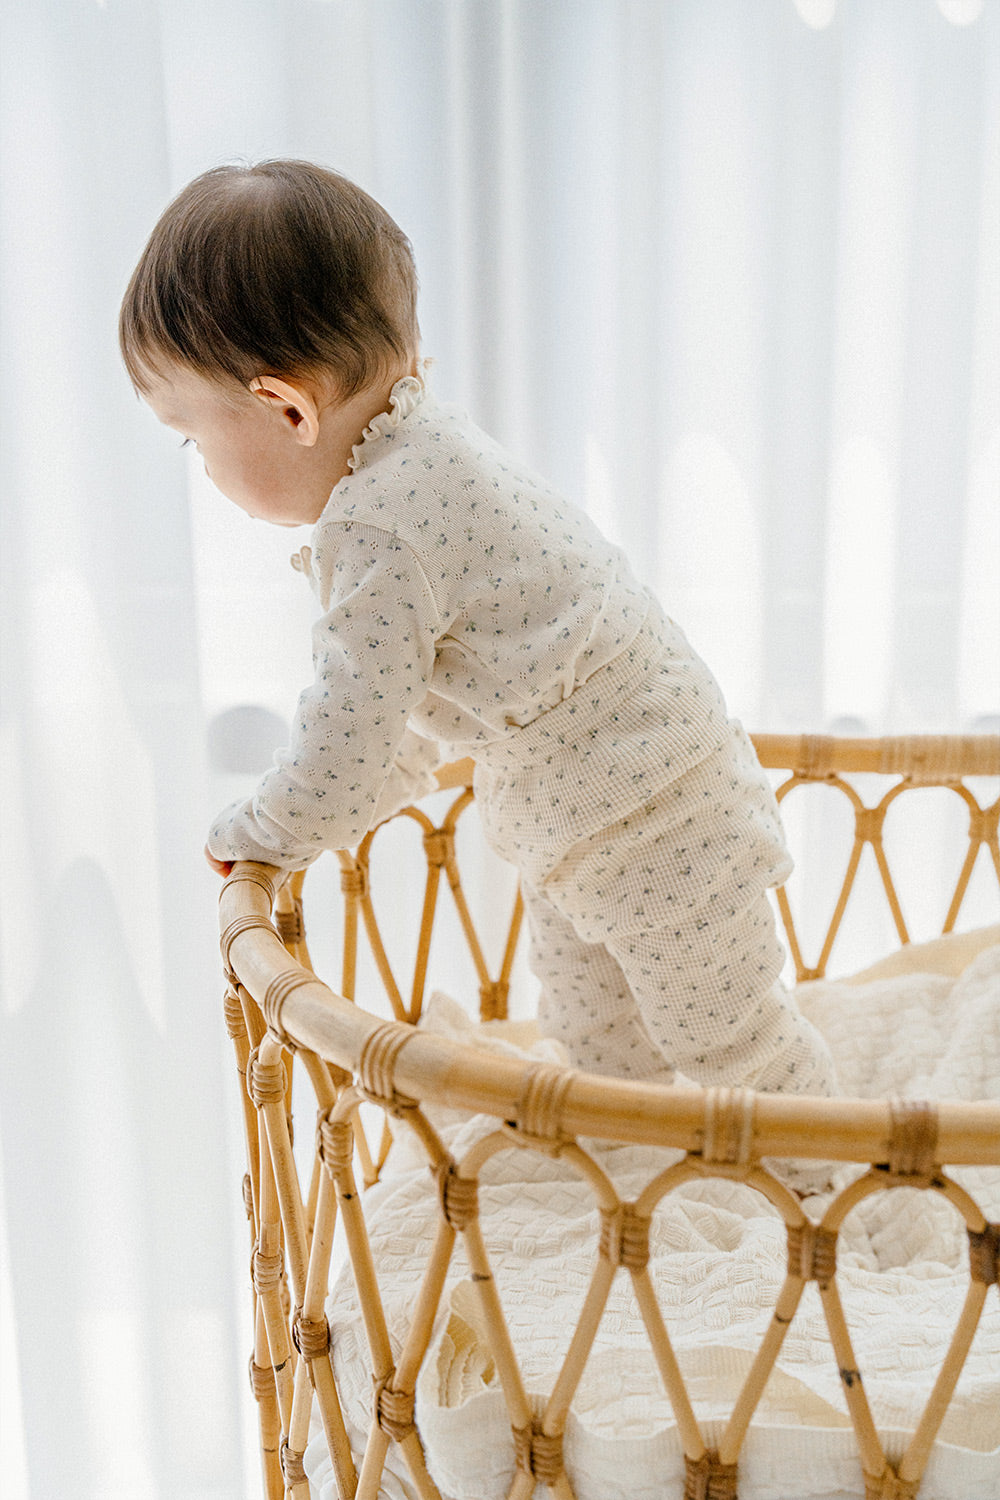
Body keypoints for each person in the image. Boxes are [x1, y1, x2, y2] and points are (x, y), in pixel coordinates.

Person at [120, 158, 836, 1103]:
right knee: (593, 1037)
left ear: (286, 406)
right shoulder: (422, 444)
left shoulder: (379, 525)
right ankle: (638, 1185)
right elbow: (409, 729)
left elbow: (345, 741)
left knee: (731, 1044)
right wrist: (337, 809)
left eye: (191, 437)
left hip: (659, 821)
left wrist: (265, 829)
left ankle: (839, 1209)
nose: (201, 469)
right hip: (586, 819)